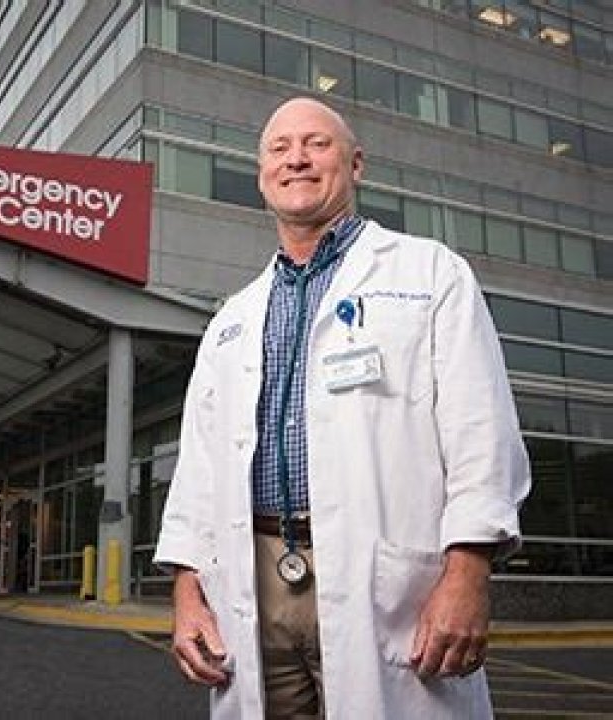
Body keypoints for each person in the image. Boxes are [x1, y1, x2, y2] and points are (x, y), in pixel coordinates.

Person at [154, 96, 530, 719]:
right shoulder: (232, 318)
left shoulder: (430, 274)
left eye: (317, 144)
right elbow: (199, 470)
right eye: (279, 148)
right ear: (262, 176)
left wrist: (468, 572)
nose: (296, 159)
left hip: (386, 581)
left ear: (355, 165)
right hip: (253, 579)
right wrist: (188, 593)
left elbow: (480, 431)